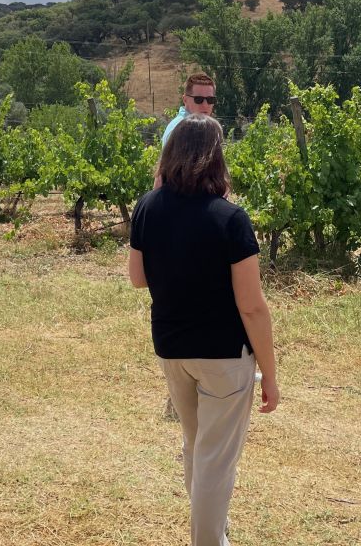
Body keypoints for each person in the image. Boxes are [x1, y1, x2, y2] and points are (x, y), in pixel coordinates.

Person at [128, 115, 279, 546]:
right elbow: (252, 306)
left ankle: (213, 535)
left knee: (197, 447)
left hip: (172, 349)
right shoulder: (230, 219)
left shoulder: (147, 207)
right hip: (223, 357)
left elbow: (138, 278)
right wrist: (269, 373)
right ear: (216, 158)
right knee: (215, 459)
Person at [161, 72, 217, 147]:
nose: (205, 105)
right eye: (198, 99)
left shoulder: (199, 127)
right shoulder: (182, 129)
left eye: (210, 100)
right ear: (185, 100)